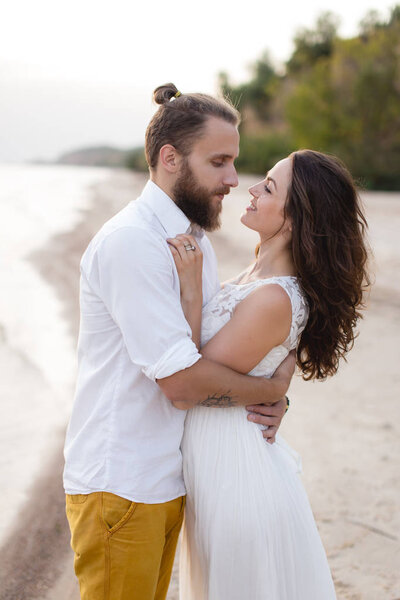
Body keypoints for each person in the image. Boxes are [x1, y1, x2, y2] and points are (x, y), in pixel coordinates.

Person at [63, 83, 294, 600]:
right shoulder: (133, 243)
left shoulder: (195, 242)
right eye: (219, 162)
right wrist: (268, 392)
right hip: (120, 480)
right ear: (171, 158)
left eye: (234, 162)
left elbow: (212, 351)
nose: (234, 180)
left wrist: (276, 393)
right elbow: (184, 384)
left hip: (168, 478)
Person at [167, 149, 370, 599]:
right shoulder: (256, 276)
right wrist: (274, 390)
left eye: (269, 187)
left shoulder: (275, 297)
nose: (251, 189)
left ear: (296, 218)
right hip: (220, 468)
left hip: (236, 478)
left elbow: (190, 381)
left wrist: (191, 290)